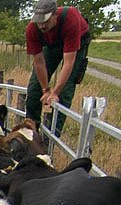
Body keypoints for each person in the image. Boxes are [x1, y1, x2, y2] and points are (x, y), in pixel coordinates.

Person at [25, 0, 91, 137]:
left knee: (64, 92)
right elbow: (39, 63)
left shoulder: (70, 19)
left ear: (55, 15)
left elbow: (68, 62)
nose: (42, 25)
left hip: (78, 43)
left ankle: (51, 138)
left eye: (46, 21)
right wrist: (45, 89)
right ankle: (31, 135)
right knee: (34, 89)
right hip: (52, 44)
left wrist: (54, 92)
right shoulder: (32, 29)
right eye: (39, 21)